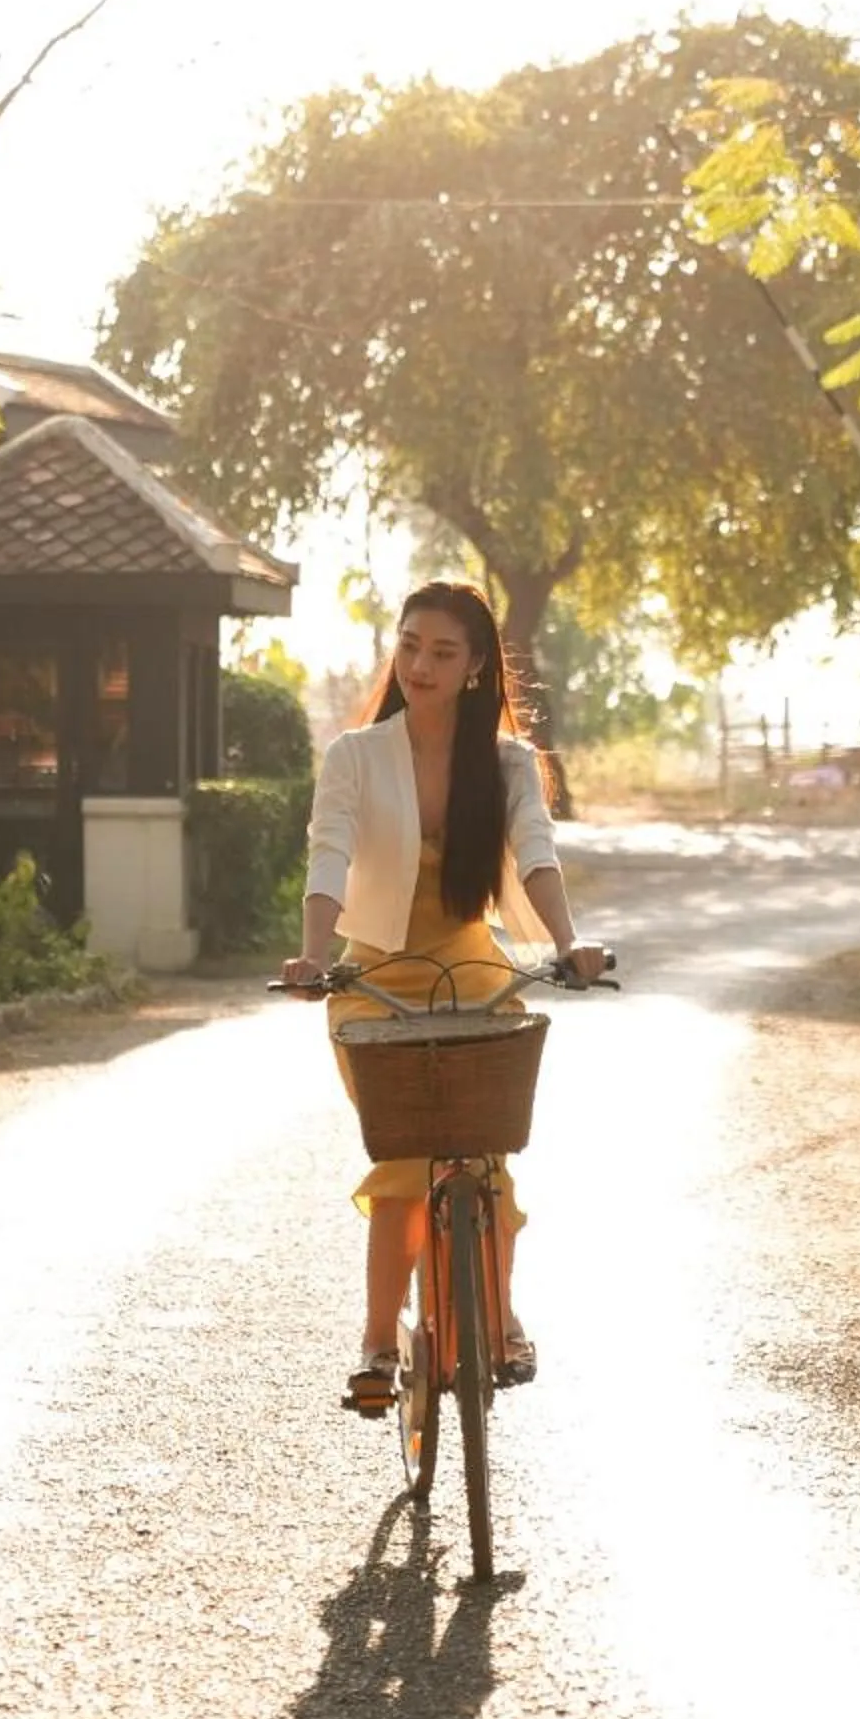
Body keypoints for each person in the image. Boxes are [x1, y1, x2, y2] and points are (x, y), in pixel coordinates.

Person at [283, 580, 609, 1412]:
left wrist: (567, 943)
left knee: (483, 1153)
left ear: (474, 668)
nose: (420, 665)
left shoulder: (507, 763)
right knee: (404, 1154)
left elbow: (535, 853)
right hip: (374, 981)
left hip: (471, 973)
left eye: (442, 652)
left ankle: (498, 1314)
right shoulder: (355, 756)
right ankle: (377, 1342)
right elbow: (329, 855)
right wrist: (314, 955)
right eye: (409, 646)